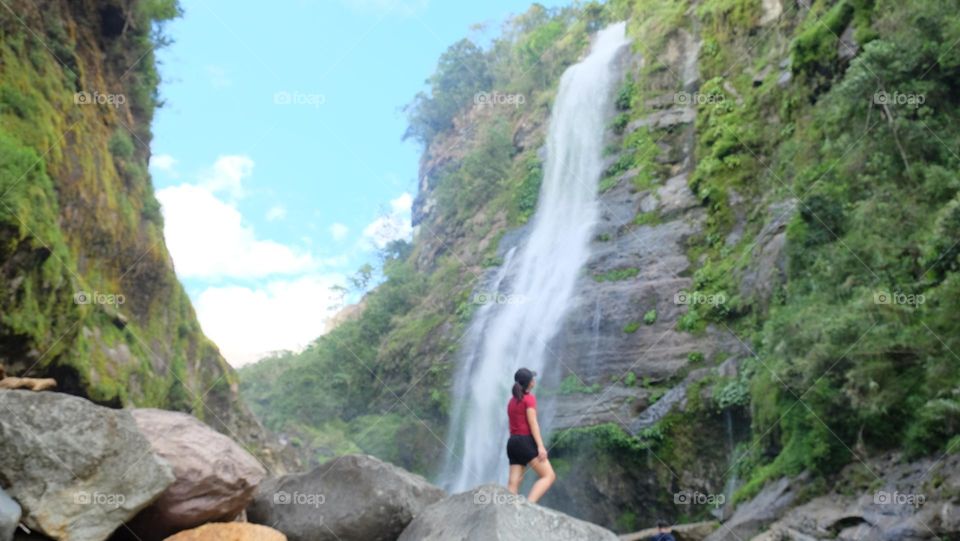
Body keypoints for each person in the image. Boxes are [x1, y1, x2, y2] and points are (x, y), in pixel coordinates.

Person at [505, 367, 555, 503]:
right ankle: (529, 505)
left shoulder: (511, 401)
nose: (534, 380)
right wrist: (540, 446)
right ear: (530, 383)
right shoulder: (529, 399)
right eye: (533, 379)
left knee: (513, 483)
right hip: (525, 441)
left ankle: (508, 511)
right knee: (548, 475)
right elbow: (533, 423)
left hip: (512, 443)